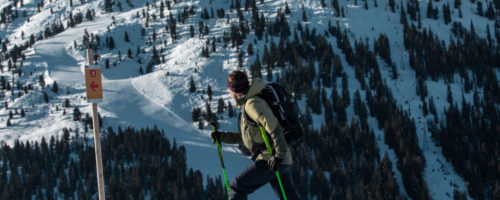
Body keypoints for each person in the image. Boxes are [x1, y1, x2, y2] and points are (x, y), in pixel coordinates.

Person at [211, 70, 300, 200]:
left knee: (237, 187)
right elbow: (245, 136)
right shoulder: (251, 101)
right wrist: (222, 137)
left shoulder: (252, 104)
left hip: (271, 159)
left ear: (234, 91)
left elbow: (274, 127)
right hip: (281, 159)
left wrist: (278, 156)